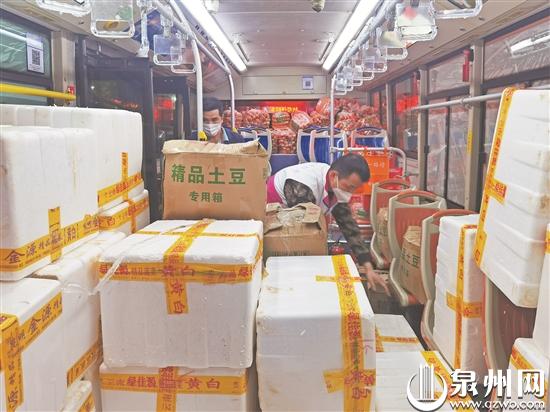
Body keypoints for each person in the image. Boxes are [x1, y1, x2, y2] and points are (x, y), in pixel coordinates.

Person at [267, 154, 390, 294]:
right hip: (274, 218)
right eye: (349, 187)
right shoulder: (303, 184)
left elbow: (349, 228)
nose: (350, 193)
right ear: (333, 176)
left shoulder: (337, 185)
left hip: (295, 225)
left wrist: (368, 268)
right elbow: (303, 235)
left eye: (354, 189)